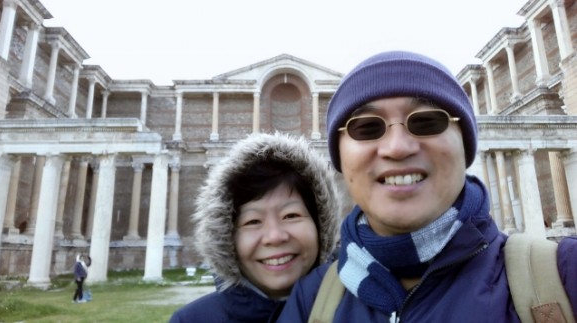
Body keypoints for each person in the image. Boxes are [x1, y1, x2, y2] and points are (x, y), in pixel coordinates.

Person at [276, 50, 577, 322]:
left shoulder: (564, 274)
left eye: (427, 121)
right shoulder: (311, 300)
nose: (397, 147)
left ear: (465, 146)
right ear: (340, 157)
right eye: (367, 127)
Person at [170, 132, 342, 323]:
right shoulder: (191, 320)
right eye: (252, 221)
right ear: (227, 238)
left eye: (291, 215)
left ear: (321, 226)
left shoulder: (358, 312)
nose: (275, 236)